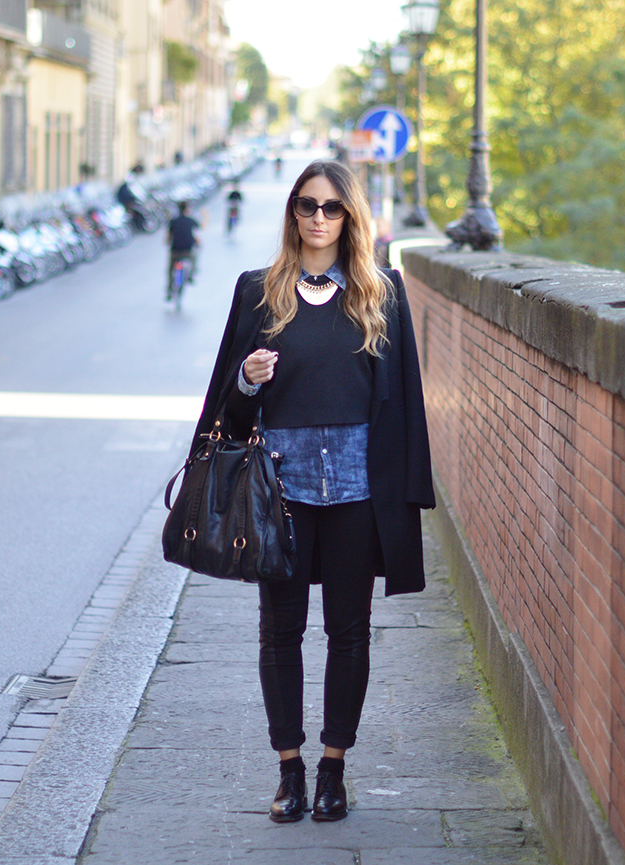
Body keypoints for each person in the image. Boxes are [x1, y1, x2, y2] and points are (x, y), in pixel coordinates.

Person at [190, 159, 435, 823]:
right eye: (307, 205)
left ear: (350, 216)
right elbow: (228, 409)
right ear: (292, 211)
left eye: (331, 207)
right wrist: (247, 378)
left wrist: (410, 493)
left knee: (349, 632)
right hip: (282, 491)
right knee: (281, 631)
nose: (318, 217)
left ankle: (333, 769)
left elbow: (405, 400)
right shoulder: (258, 291)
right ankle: (289, 770)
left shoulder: (381, 291)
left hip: (358, 487)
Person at [165, 201, 200, 300]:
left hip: (175, 251)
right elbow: (196, 232)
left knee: (170, 270)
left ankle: (169, 290)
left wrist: (168, 243)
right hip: (187, 251)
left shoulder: (173, 221)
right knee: (194, 259)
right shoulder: (191, 221)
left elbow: (169, 237)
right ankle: (191, 275)